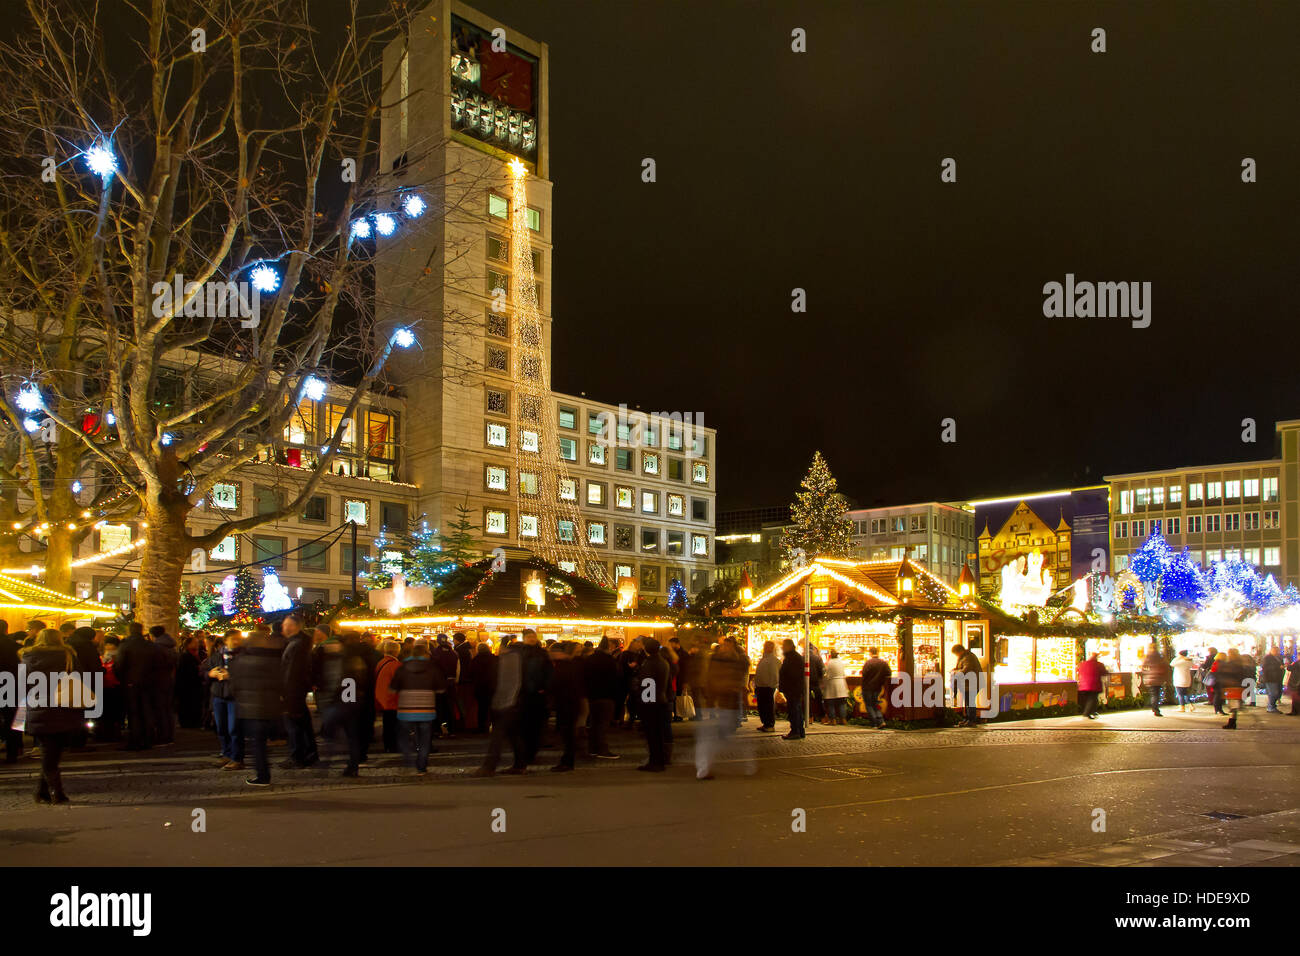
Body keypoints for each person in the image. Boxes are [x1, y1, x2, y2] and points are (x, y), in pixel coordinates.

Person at [21, 629, 87, 803]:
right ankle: (56, 792)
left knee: (49, 751)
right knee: (53, 752)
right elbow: (80, 677)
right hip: (63, 707)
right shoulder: (67, 656)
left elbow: (22, 685)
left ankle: (42, 791)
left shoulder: (27, 657)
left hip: (38, 707)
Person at [230, 625, 285, 787]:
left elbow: (234, 685)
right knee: (263, 742)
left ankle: (262, 775)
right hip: (271, 707)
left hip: (250, 709)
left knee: (258, 744)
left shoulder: (241, 661)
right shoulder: (275, 660)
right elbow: (282, 682)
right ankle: (264, 773)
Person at [313, 627, 369, 777]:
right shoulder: (355, 658)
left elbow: (338, 681)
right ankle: (352, 765)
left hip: (342, 701)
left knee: (330, 735)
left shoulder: (339, 660)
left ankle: (326, 764)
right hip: (350, 700)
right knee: (351, 736)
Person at [475, 636, 526, 776]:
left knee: (498, 734)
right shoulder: (516, 660)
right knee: (514, 735)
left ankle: (490, 766)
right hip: (514, 702)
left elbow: (501, 682)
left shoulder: (509, 660)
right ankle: (520, 764)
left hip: (507, 702)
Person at [389, 641, 441, 775]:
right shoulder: (432, 668)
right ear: (425, 654)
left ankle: (408, 760)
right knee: (424, 739)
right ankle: (421, 766)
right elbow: (441, 688)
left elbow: (393, 688)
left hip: (406, 709)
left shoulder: (402, 667)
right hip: (426, 709)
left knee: (403, 736)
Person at [697, 638, 746, 779]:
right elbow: (710, 678)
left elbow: (736, 678)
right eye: (724, 645)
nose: (725, 647)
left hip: (725, 702)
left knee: (716, 735)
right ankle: (705, 768)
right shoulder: (717, 659)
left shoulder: (736, 660)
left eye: (727, 645)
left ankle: (707, 767)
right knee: (710, 736)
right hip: (717, 702)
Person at [280, 614, 319, 768]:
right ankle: (309, 753)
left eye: (287, 625)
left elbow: (292, 671)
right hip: (296, 691)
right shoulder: (299, 643)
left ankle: (298, 756)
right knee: (302, 724)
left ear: (295, 626)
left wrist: (286, 693)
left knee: (295, 725)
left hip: (293, 692)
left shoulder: (297, 645)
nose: (285, 628)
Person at [205, 632, 245, 770]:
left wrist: (231, 676)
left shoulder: (243, 656)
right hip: (218, 696)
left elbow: (248, 674)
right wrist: (210, 674)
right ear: (226, 641)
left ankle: (237, 757)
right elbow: (203, 672)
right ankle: (226, 753)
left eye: (238, 639)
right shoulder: (216, 656)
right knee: (221, 727)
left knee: (234, 728)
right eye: (233, 639)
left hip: (234, 696)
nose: (236, 642)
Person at [115, 622, 155, 750]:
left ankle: (135, 740)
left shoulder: (125, 645)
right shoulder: (149, 645)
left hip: (131, 682)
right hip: (148, 682)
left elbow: (119, 665)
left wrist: (123, 679)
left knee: (134, 713)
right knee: (146, 711)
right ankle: (148, 739)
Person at [518, 629, 552, 766]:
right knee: (524, 726)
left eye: (533, 636)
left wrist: (544, 688)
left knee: (535, 726)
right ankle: (525, 752)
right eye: (529, 637)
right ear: (524, 638)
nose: (532, 639)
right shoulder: (520, 653)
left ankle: (531, 752)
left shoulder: (542, 654)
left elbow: (549, 673)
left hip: (537, 695)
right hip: (524, 695)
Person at [584, 637, 621, 759]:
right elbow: (616, 679)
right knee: (602, 724)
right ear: (608, 648)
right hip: (607, 695)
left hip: (593, 696)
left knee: (594, 723)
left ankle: (592, 748)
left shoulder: (590, 659)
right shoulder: (610, 661)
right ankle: (602, 749)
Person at [637, 636, 670, 771]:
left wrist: (644, 703)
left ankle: (655, 762)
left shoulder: (650, 663)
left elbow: (647, 684)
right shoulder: (663, 662)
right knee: (658, 734)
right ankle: (659, 760)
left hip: (651, 702)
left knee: (652, 734)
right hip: (660, 700)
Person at [550, 641, 584, 772]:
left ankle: (568, 762)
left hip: (567, 703)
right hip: (571, 703)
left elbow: (558, 684)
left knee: (568, 734)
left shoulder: (564, 666)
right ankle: (568, 760)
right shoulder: (571, 665)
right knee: (568, 733)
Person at [149, 624, 179, 744]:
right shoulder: (170, 646)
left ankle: (163, 736)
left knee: (161, 709)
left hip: (159, 681)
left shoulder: (158, 648)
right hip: (169, 679)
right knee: (167, 709)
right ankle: (168, 735)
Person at [373, 640, 402, 753]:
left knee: (387, 724)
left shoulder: (381, 662)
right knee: (394, 725)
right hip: (393, 699)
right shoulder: (395, 665)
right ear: (397, 651)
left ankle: (388, 746)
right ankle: (393, 746)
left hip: (382, 698)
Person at [0, 620, 23, 762]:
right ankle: (13, 752)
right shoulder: (15, 648)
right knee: (12, 719)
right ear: (6, 630)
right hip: (11, 686)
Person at [431, 634, 461, 737]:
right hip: (451, 683)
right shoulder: (454, 653)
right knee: (450, 707)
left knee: (439, 708)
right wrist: (455, 681)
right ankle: (451, 729)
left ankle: (439, 730)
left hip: (438, 685)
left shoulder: (434, 653)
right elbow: (458, 670)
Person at [175, 635, 205, 729]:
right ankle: (188, 723)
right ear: (188, 645)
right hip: (187, 686)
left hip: (194, 686)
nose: (197, 644)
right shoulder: (185, 656)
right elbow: (185, 671)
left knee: (194, 705)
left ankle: (193, 722)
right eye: (195, 643)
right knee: (187, 705)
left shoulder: (197, 654)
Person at [468, 641, 498, 734]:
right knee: (493, 708)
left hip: (480, 687)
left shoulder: (475, 660)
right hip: (493, 686)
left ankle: (482, 727)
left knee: (482, 708)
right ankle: (495, 727)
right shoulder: (494, 658)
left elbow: (471, 674)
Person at [779, 639, 805, 740]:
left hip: (793, 689)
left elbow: (792, 674)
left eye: (784, 646)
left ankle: (795, 731)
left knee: (794, 710)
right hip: (794, 688)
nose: (782, 648)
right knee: (796, 709)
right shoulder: (793, 657)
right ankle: (799, 731)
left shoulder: (792, 658)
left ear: (789, 646)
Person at [951, 644, 983, 726]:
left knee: (970, 702)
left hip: (971, 684)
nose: (956, 655)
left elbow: (966, 669)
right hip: (969, 684)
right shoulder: (966, 656)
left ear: (959, 651)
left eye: (956, 654)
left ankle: (971, 720)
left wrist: (955, 672)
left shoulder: (968, 657)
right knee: (968, 702)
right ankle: (968, 719)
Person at [860, 647, 891, 728]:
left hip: (867, 686)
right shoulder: (883, 663)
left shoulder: (868, 663)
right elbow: (889, 673)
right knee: (875, 704)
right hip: (877, 687)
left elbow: (864, 674)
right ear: (878, 652)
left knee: (869, 705)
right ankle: (881, 721)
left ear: (870, 653)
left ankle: (874, 723)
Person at [453, 632, 477, 733]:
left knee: (461, 703)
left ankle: (463, 723)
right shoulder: (469, 649)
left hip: (462, 681)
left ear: (456, 640)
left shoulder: (459, 650)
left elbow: (459, 667)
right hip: (470, 680)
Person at [754, 640, 780, 732]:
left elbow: (774, 675)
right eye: (765, 646)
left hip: (767, 687)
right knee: (762, 706)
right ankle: (765, 723)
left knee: (767, 706)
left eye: (767, 646)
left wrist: (772, 684)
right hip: (761, 686)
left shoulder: (773, 660)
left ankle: (769, 724)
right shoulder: (764, 659)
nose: (765, 648)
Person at [1217, 650, 1245, 730]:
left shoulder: (1232, 664)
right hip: (1236, 686)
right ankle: (1232, 722)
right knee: (1233, 705)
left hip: (1232, 686)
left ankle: (1232, 723)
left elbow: (1226, 674)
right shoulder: (1239, 663)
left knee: (1232, 705)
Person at [1140, 645, 1170, 717]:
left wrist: (1146, 673)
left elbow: (1143, 666)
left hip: (1150, 678)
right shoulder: (1160, 656)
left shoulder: (1147, 656)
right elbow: (1165, 666)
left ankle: (1154, 707)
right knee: (1156, 694)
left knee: (1153, 694)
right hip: (1158, 678)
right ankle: (1155, 709)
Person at [1076, 652, 1108, 719]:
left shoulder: (1083, 664)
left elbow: (1078, 670)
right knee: (1092, 699)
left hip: (1083, 685)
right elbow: (1105, 673)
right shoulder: (1099, 665)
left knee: (1089, 699)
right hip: (1094, 685)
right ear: (1096, 657)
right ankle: (1087, 712)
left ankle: (1092, 712)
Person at [822, 649, 849, 724]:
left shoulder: (829, 663)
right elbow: (844, 674)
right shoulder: (841, 662)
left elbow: (827, 675)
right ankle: (843, 719)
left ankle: (832, 720)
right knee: (841, 702)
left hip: (832, 684)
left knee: (830, 703)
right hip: (841, 684)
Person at [1262, 646, 1285, 713]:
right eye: (1274, 650)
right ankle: (1271, 707)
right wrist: (1278, 667)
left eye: (1277, 650)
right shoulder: (1267, 658)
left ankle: (1272, 706)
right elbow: (1265, 667)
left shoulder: (1278, 657)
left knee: (1276, 693)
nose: (1276, 652)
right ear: (1271, 650)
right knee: (1273, 693)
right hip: (1270, 678)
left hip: (1277, 678)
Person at [1201, 647, 1223, 715]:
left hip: (1213, 676)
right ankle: (1218, 705)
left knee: (1211, 689)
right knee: (1217, 692)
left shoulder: (1211, 658)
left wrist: (1202, 665)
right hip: (1220, 678)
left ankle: (1212, 701)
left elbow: (1205, 666)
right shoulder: (1221, 660)